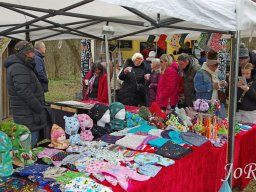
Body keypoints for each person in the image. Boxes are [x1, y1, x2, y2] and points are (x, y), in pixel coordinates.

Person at [4, 40, 48, 147]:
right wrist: (38, 107)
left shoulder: (23, 65)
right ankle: (26, 163)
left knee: (27, 145)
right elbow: (24, 91)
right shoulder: (18, 67)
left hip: (28, 112)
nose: (34, 54)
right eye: (31, 52)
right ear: (25, 53)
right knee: (27, 149)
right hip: (27, 114)